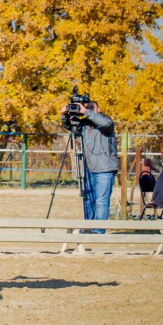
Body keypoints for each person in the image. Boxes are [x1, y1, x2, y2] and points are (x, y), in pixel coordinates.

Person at [60, 100, 119, 234]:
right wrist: (64, 114)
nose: (88, 110)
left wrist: (86, 111)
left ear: (99, 109)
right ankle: (89, 226)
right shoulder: (85, 125)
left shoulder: (106, 122)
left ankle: (98, 230)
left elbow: (104, 123)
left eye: (92, 108)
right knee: (88, 199)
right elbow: (69, 126)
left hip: (104, 168)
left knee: (101, 201)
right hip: (89, 168)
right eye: (87, 108)